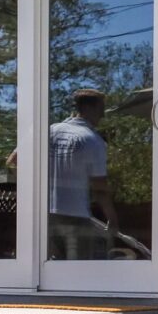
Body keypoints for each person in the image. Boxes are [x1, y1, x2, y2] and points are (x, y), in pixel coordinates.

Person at [47, 88, 120, 259]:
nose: (102, 116)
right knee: (78, 273)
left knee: (48, 271)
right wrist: (113, 219)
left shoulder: (49, 131)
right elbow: (100, 189)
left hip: (45, 216)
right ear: (90, 108)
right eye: (101, 110)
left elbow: (14, 161)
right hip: (75, 217)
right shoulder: (93, 141)